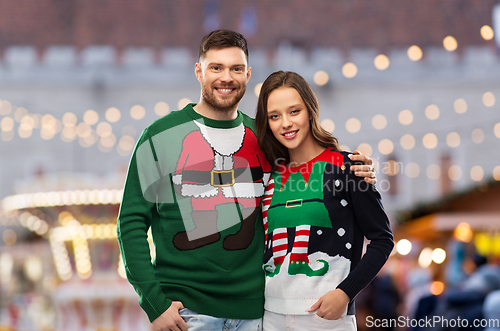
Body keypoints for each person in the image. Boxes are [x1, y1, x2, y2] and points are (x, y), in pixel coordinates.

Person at [117, 30, 377, 331]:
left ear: (247, 74)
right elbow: (130, 223)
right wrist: (153, 304)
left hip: (257, 315)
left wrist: (355, 168)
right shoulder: (160, 136)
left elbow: (310, 164)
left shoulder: (267, 139)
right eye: (216, 67)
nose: (226, 77)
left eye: (236, 69)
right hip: (186, 313)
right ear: (199, 71)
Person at [255, 71, 394, 331]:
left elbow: (383, 240)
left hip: (327, 318)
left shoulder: (348, 168)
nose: (285, 123)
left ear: (310, 110)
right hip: (271, 317)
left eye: (294, 111)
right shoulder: (268, 176)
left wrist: (345, 293)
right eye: (275, 116)